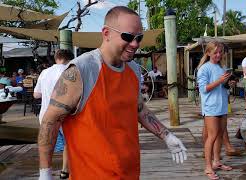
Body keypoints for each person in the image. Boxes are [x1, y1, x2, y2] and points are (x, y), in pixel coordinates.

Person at [38, 6, 187, 180]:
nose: (135, 44)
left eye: (139, 38)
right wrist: (45, 173)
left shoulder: (133, 70)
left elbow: (139, 109)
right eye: (127, 37)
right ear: (106, 33)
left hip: (129, 172)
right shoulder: (81, 70)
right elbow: (50, 121)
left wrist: (167, 135)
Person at [34, 49, 74, 179]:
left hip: (45, 114)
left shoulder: (44, 72)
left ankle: (45, 174)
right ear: (69, 59)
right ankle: (64, 171)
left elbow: (36, 94)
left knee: (47, 144)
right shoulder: (70, 71)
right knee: (69, 143)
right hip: (65, 115)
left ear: (56, 58)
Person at [197, 42, 234, 180]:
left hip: (222, 105)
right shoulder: (204, 69)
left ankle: (217, 161)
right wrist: (220, 81)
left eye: (220, 52)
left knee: (220, 135)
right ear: (208, 53)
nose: (218, 55)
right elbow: (203, 89)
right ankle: (208, 166)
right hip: (211, 107)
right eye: (215, 52)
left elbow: (222, 86)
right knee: (211, 136)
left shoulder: (222, 67)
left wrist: (228, 84)